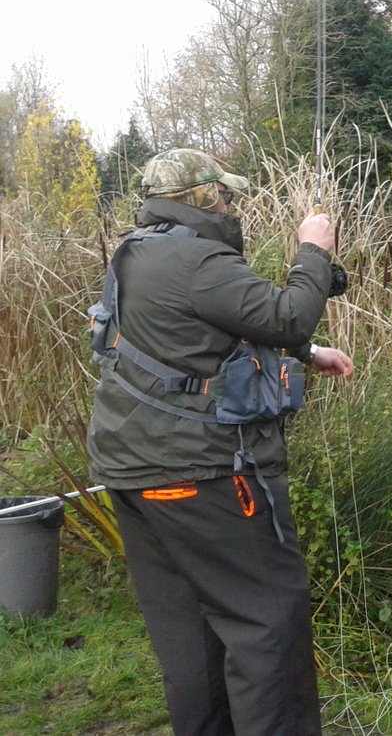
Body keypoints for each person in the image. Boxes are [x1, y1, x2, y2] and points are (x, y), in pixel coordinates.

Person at [87, 147, 353, 736]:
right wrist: (313, 247)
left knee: (190, 638)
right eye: (224, 194)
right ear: (202, 198)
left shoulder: (136, 252)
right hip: (203, 474)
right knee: (267, 624)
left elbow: (191, 334)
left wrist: (308, 356)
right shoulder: (200, 259)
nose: (232, 203)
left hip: (133, 473)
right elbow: (287, 316)